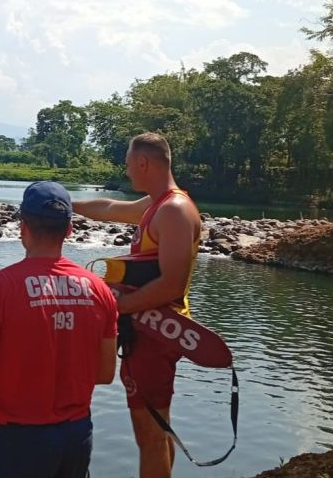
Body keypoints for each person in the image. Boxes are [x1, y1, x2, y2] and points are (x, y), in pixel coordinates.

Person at [0, 181, 118, 478]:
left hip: (19, 440)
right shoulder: (99, 289)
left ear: (22, 227)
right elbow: (105, 374)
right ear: (69, 230)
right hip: (77, 437)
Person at [72, 132, 202, 478]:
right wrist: (65, 203)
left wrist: (117, 307)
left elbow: (173, 284)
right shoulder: (156, 205)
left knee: (149, 433)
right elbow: (110, 209)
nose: (127, 171)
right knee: (155, 429)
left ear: (143, 162)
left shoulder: (174, 211)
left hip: (158, 332)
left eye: (129, 164)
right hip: (145, 330)